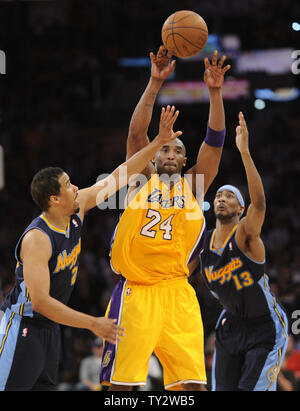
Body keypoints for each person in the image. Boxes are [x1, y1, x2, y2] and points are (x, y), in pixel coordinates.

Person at [0, 105, 182, 391]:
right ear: (54, 199)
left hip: (49, 328)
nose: (75, 188)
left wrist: (158, 142)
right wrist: (92, 323)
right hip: (23, 326)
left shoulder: (78, 207)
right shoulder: (38, 238)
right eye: (68, 185)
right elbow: (41, 302)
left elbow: (120, 175)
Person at [100, 46, 231, 391]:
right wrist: (155, 82)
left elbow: (214, 142)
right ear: (153, 155)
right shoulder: (141, 177)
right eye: (164, 148)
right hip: (137, 292)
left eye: (177, 150)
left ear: (186, 161)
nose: (170, 153)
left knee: (193, 386)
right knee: (121, 387)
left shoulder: (194, 184)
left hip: (177, 293)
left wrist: (215, 93)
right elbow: (135, 136)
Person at [200, 112, 289, 391]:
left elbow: (260, 203)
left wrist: (245, 153)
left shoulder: (245, 236)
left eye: (230, 196)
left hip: (265, 327)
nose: (222, 198)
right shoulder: (201, 245)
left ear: (240, 209)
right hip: (230, 326)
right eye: (218, 195)